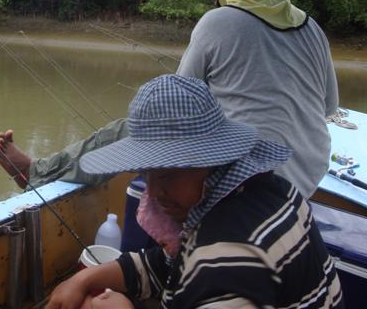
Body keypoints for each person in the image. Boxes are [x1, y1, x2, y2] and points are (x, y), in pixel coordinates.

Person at [0, 0, 339, 199]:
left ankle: (36, 172)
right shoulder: (313, 28)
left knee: (131, 128)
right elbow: (328, 107)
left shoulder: (221, 21)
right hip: (306, 180)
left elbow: (175, 105)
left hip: (246, 178)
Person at [44, 75, 343, 309]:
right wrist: (84, 279)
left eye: (168, 175)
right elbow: (167, 264)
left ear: (212, 160)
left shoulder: (228, 258)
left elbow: (213, 267)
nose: (155, 191)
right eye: (146, 175)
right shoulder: (274, 191)